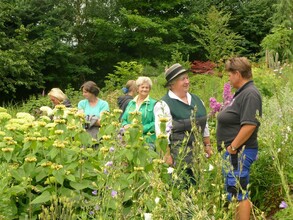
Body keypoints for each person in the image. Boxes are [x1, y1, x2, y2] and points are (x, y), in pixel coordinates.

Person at [216, 57, 262, 220]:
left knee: (239, 193)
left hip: (239, 152)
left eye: (229, 74)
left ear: (237, 74)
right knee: (234, 192)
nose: (228, 78)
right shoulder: (242, 93)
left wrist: (233, 147)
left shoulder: (250, 94)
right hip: (235, 153)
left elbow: (250, 124)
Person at [154, 63, 213, 183]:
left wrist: (207, 145)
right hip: (179, 158)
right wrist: (167, 156)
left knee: (200, 188)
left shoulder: (197, 100)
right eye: (183, 79)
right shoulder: (163, 105)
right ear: (172, 84)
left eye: (187, 78)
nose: (187, 81)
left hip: (198, 156)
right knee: (182, 189)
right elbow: (162, 135)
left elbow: (204, 125)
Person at [121, 77, 157, 144]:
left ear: (149, 89)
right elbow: (124, 119)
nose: (145, 89)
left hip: (147, 141)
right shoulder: (131, 103)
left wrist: (141, 128)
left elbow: (156, 123)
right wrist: (125, 125)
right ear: (137, 89)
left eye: (147, 87)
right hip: (130, 140)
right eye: (142, 87)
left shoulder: (154, 104)